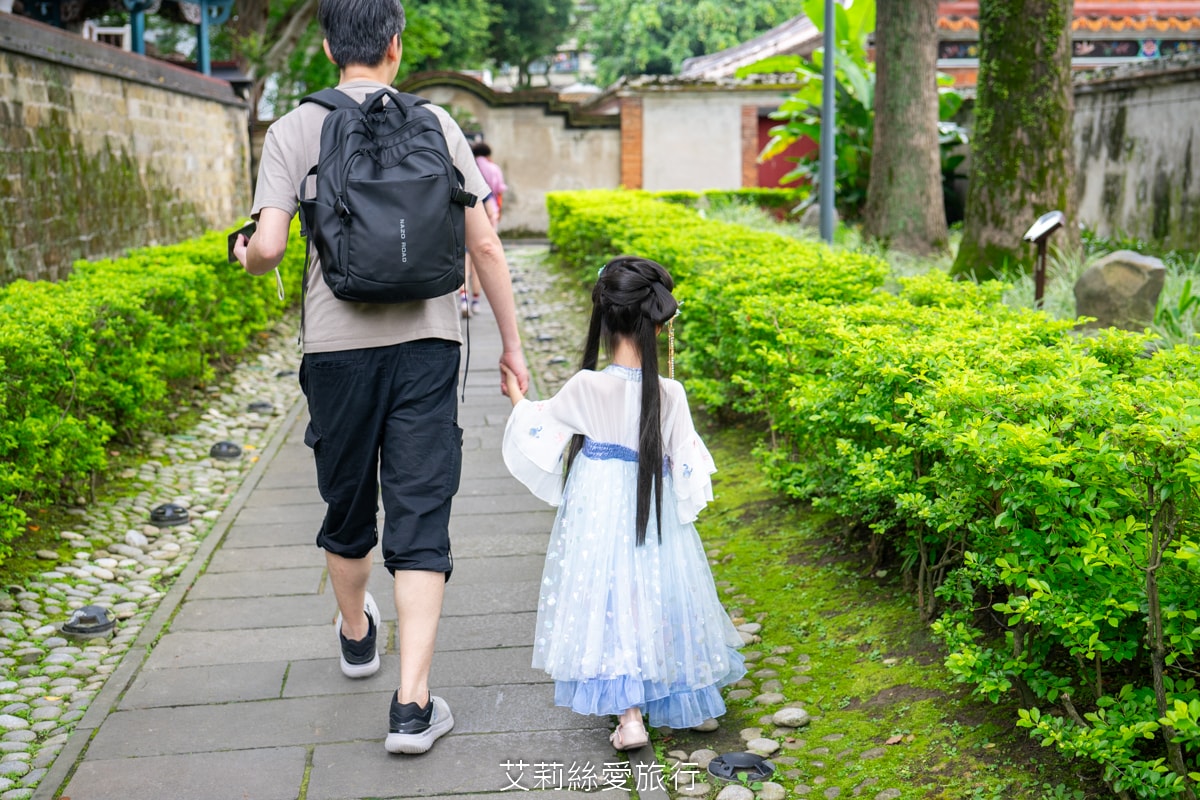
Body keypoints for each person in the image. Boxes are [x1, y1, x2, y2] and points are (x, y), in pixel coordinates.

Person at [232, 0, 530, 756]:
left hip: (334, 352)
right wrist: (513, 346)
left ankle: (358, 634)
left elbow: (268, 247)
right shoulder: (438, 124)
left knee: (347, 500)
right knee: (422, 512)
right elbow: (486, 247)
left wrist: (245, 252)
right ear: (396, 46)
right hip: (429, 345)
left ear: (331, 47)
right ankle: (412, 706)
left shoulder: (295, 128)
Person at [498, 256, 744, 751]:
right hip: (650, 500)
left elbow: (538, 426)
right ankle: (683, 697)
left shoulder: (587, 385)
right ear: (658, 326)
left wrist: (514, 397)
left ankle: (630, 715)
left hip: (597, 501)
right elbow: (690, 466)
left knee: (610, 592)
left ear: (606, 321)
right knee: (661, 586)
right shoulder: (670, 393)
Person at [460, 141, 506, 317]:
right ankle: (476, 300)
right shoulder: (493, 169)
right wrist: (495, 219)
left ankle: (463, 299)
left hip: (464, 219)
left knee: (465, 262)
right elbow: (498, 193)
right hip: (485, 219)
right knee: (481, 259)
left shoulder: (465, 169)